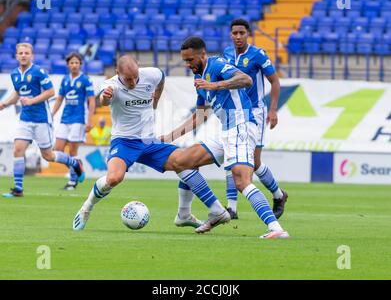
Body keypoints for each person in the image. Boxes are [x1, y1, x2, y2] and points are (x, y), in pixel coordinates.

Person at [72, 55, 230, 231]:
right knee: (114, 178)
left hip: (149, 141)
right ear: (118, 73)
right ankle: (87, 207)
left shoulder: (152, 74)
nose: (133, 82)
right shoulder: (111, 85)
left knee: (188, 161)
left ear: (139, 68)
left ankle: (186, 214)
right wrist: (106, 97)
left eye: (135, 77)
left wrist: (155, 100)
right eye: (128, 79)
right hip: (124, 142)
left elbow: (161, 78)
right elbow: (104, 99)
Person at [162, 37, 289, 239]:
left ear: (202, 54)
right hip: (226, 131)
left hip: (241, 125)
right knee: (183, 161)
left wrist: (215, 85)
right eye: (185, 61)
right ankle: (192, 213)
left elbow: (245, 80)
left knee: (242, 180)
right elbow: (201, 115)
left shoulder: (217, 64)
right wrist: (170, 135)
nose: (188, 65)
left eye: (190, 59)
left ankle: (276, 228)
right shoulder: (200, 80)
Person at [221, 18, 288, 219]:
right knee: (232, 156)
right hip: (233, 112)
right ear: (231, 34)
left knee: (255, 162)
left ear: (248, 34)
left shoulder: (258, 54)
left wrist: (273, 110)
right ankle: (231, 208)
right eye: (235, 33)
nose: (238, 37)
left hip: (255, 113)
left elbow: (275, 82)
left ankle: (278, 194)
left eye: (242, 33)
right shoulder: (226, 53)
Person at [0, 43, 85, 198]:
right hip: (25, 119)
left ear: (32, 55)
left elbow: (51, 91)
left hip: (41, 120)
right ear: (16, 56)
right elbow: (18, 94)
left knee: (48, 156)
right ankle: (18, 189)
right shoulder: (15, 74)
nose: (24, 55)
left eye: (26, 53)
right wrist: (5, 103)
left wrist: (32, 101)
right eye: (21, 53)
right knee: (18, 149)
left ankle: (74, 163)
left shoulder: (39, 71)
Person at [51, 52, 95, 190]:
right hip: (65, 118)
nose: (74, 65)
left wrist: (89, 121)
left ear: (80, 64)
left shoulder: (86, 80)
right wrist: (51, 114)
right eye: (72, 63)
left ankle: (72, 181)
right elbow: (59, 99)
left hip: (78, 119)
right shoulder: (65, 79)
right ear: (68, 65)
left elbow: (91, 101)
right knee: (57, 149)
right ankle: (77, 166)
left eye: (77, 62)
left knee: (72, 151)